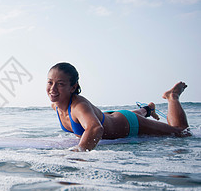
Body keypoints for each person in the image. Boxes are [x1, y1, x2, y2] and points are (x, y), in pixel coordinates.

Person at [47, 62, 191, 151]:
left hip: (128, 124)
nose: (53, 89)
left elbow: (96, 128)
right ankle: (147, 109)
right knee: (118, 118)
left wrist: (79, 151)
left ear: (73, 87)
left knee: (181, 132)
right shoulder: (56, 106)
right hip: (114, 116)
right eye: (50, 82)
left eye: (60, 84)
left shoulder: (79, 106)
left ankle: (172, 96)